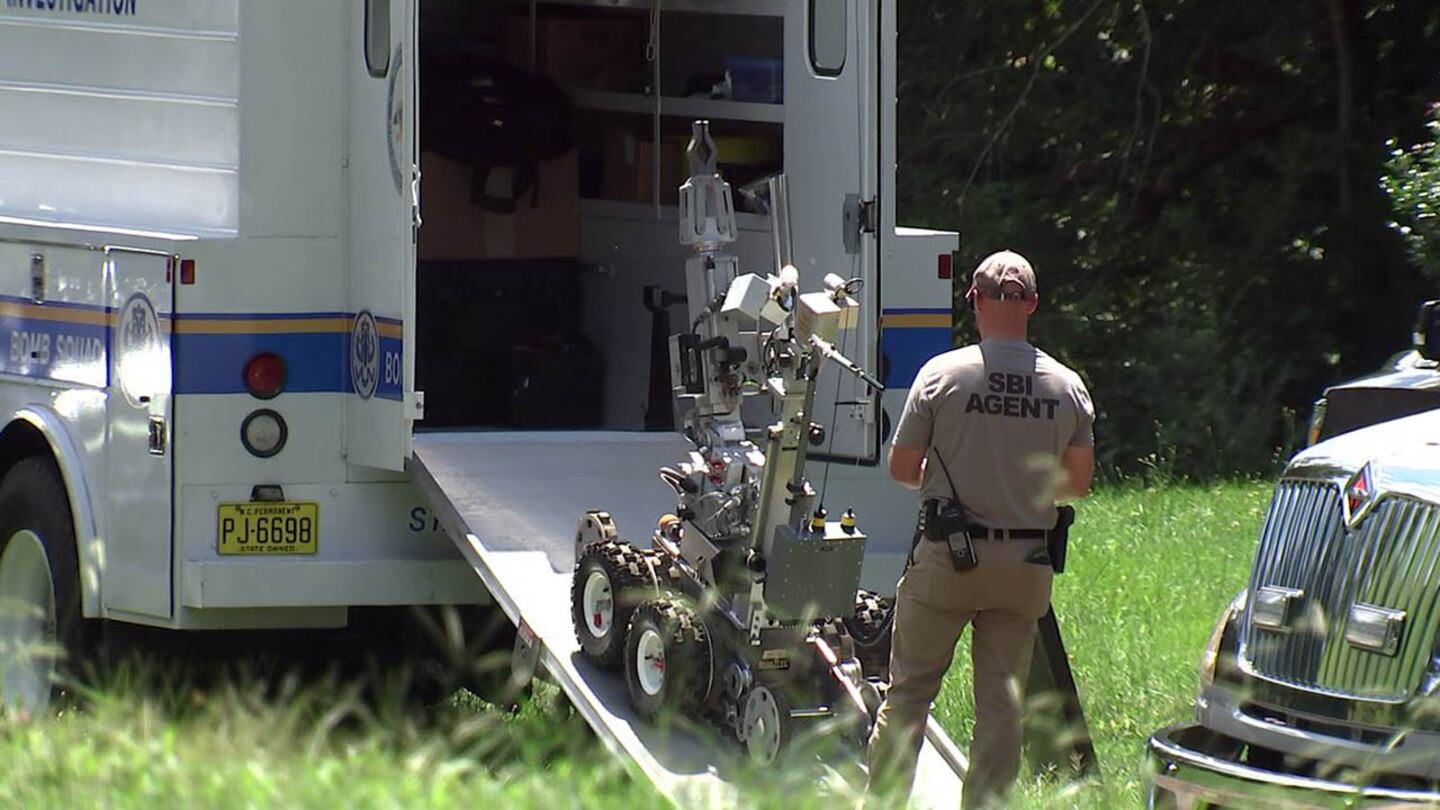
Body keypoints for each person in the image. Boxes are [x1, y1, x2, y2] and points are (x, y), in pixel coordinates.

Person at [866, 250, 1095, 808]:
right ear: (1033, 304)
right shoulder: (1067, 387)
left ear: (974, 301)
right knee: (1002, 706)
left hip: (948, 560)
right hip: (1024, 569)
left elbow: (902, 468)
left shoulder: (943, 375)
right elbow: (1077, 484)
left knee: (911, 694)